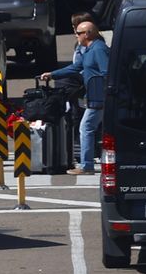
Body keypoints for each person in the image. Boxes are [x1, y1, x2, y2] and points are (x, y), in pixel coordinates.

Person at [44, 21, 109, 174]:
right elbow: (76, 67)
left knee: (86, 127)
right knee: (94, 128)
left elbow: (107, 73)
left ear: (88, 34)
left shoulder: (99, 49)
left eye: (79, 33)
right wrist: (52, 74)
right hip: (95, 96)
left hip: (99, 97)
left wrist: (101, 91)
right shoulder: (88, 50)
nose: (76, 36)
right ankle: (90, 164)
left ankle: (87, 166)